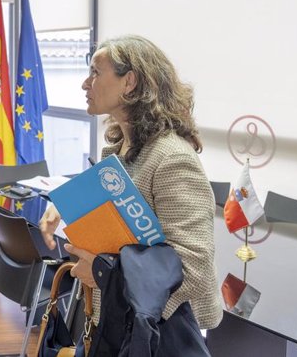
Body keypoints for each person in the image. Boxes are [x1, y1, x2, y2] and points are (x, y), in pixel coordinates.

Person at [39, 35, 223, 336]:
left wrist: (104, 276)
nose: (86, 84)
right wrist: (62, 205)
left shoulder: (173, 158)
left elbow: (194, 271)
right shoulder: (118, 151)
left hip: (163, 331)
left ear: (130, 83)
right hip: (121, 322)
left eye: (96, 73)